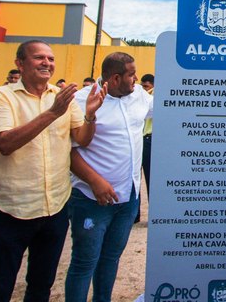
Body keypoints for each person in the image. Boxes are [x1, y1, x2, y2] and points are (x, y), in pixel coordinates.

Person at [0, 40, 104, 301]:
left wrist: (91, 116)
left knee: (41, 284)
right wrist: (52, 113)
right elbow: (5, 144)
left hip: (55, 207)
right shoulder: (1, 96)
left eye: (50, 58)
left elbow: (81, 139)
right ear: (20, 63)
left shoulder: (60, 97)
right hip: (13, 208)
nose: (46, 63)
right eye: (39, 58)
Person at [65, 53, 153, 301]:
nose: (136, 79)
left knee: (111, 258)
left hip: (128, 198)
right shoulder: (81, 100)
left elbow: (170, 105)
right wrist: (95, 181)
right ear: (115, 78)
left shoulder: (138, 96)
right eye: (131, 74)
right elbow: (68, 150)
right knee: (84, 262)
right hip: (92, 200)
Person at [135, 73, 154, 223]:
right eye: (142, 86)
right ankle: (135, 214)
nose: (143, 89)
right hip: (138, 139)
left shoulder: (152, 98)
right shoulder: (140, 97)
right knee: (135, 177)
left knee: (149, 177)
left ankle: (153, 213)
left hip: (149, 139)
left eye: (146, 86)